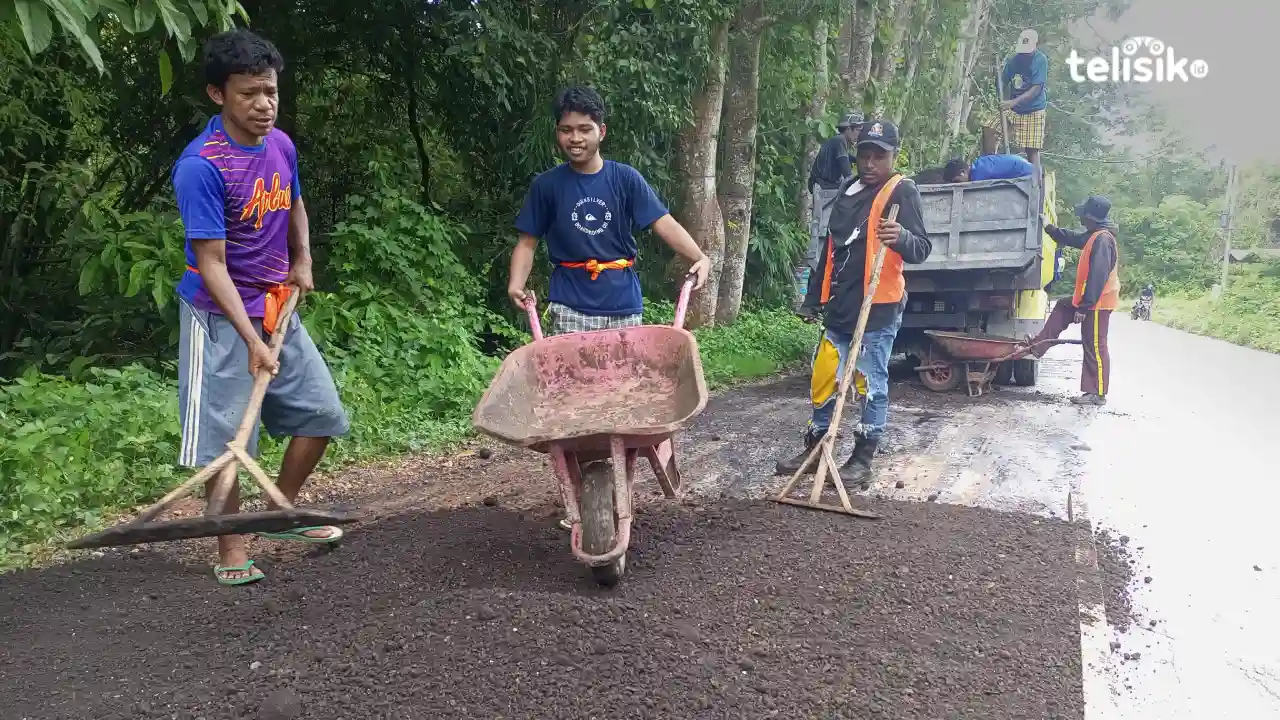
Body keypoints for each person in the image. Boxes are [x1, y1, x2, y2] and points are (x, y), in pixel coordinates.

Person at [171, 29, 350, 586]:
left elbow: (293, 199)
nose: (264, 104)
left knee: (321, 416)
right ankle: (229, 546)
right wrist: (250, 341)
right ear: (217, 95)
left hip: (277, 304)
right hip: (219, 316)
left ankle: (277, 514)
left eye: (270, 91)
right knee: (227, 442)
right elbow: (212, 262)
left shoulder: (281, 144)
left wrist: (303, 258)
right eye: (249, 93)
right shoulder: (202, 166)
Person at [507, 85, 711, 530]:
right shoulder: (548, 186)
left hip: (621, 301)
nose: (575, 138)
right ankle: (585, 487)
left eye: (584, 129)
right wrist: (516, 284)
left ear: (602, 131)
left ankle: (614, 483)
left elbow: (663, 223)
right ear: (557, 134)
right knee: (575, 402)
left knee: (623, 397)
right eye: (566, 130)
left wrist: (698, 256)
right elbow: (527, 241)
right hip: (570, 300)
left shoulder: (624, 179)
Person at [777, 120, 932, 484]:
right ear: (856, 154)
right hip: (841, 304)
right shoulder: (847, 190)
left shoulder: (902, 191)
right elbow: (831, 249)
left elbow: (922, 248)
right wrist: (812, 298)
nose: (870, 163)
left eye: (880, 155)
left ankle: (862, 459)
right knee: (824, 375)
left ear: (893, 156)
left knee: (868, 381)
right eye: (865, 154)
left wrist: (902, 237)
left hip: (878, 306)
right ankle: (816, 448)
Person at [1023, 195, 1120, 406]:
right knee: (1063, 306)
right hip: (1091, 300)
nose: (1081, 220)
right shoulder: (1095, 236)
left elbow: (1098, 275)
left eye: (1083, 216)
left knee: (1094, 344)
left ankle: (1097, 393)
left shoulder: (1103, 240)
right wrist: (1049, 228)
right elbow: (1074, 238)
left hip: (1098, 303)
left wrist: (1085, 307)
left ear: (1091, 217)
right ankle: (1037, 346)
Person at [984, 29, 1048, 173]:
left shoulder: (1040, 60)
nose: (1024, 55)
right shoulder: (1013, 61)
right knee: (990, 128)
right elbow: (1002, 82)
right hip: (1014, 110)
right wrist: (997, 76)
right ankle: (991, 166)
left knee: (1031, 150)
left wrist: (1012, 102)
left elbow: (1036, 89)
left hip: (1034, 111)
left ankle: (1035, 183)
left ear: (1035, 46)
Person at [806, 113, 864, 271]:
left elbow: (849, 159)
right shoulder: (840, 141)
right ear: (849, 129)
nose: (859, 134)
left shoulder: (839, 142)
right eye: (858, 130)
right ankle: (814, 259)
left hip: (826, 187)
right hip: (822, 188)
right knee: (820, 226)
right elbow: (846, 170)